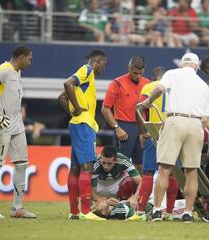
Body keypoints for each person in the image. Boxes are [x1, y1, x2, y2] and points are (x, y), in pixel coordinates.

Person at [139, 52, 209, 223]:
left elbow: (159, 88)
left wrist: (147, 103)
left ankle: (156, 211)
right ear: (197, 66)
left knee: (164, 169)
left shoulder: (172, 74)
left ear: (182, 64)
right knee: (191, 172)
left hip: (175, 120)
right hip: (196, 125)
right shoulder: (203, 85)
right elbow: (206, 118)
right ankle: (188, 213)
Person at [0, 45, 36, 219]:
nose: (30, 62)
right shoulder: (3, 70)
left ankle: (17, 208)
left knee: (22, 163)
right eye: (29, 58)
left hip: (17, 125)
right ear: (21, 57)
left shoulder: (17, 72)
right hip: (1, 126)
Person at [58, 49, 107, 220]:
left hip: (77, 124)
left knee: (76, 168)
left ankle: (74, 212)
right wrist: (78, 109)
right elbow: (67, 84)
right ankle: (86, 212)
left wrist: (73, 113)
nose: (104, 69)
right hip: (84, 125)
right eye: (104, 65)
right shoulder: (87, 70)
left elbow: (61, 98)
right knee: (87, 167)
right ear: (98, 61)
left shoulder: (86, 78)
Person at [137, 66, 179, 220]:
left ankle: (141, 211)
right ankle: (169, 212)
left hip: (153, 132)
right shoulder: (174, 87)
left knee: (148, 172)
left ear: (153, 76)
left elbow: (139, 108)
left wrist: (143, 132)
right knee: (173, 172)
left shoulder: (148, 86)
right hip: (172, 132)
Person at [101, 56, 150, 171]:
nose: (138, 76)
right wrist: (116, 127)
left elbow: (150, 109)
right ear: (129, 68)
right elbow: (105, 108)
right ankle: (119, 188)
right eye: (135, 73)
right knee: (120, 164)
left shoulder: (148, 84)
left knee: (141, 165)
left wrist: (146, 130)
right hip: (124, 126)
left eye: (141, 73)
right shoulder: (117, 83)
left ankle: (137, 189)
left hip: (142, 127)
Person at [91, 146, 142, 211]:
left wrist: (135, 197)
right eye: (103, 162)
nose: (106, 166)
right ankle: (96, 206)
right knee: (85, 183)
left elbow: (141, 182)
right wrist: (101, 199)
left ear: (116, 160)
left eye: (109, 163)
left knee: (129, 181)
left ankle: (124, 204)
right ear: (101, 158)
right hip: (100, 187)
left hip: (116, 185)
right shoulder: (95, 163)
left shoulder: (123, 160)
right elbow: (90, 190)